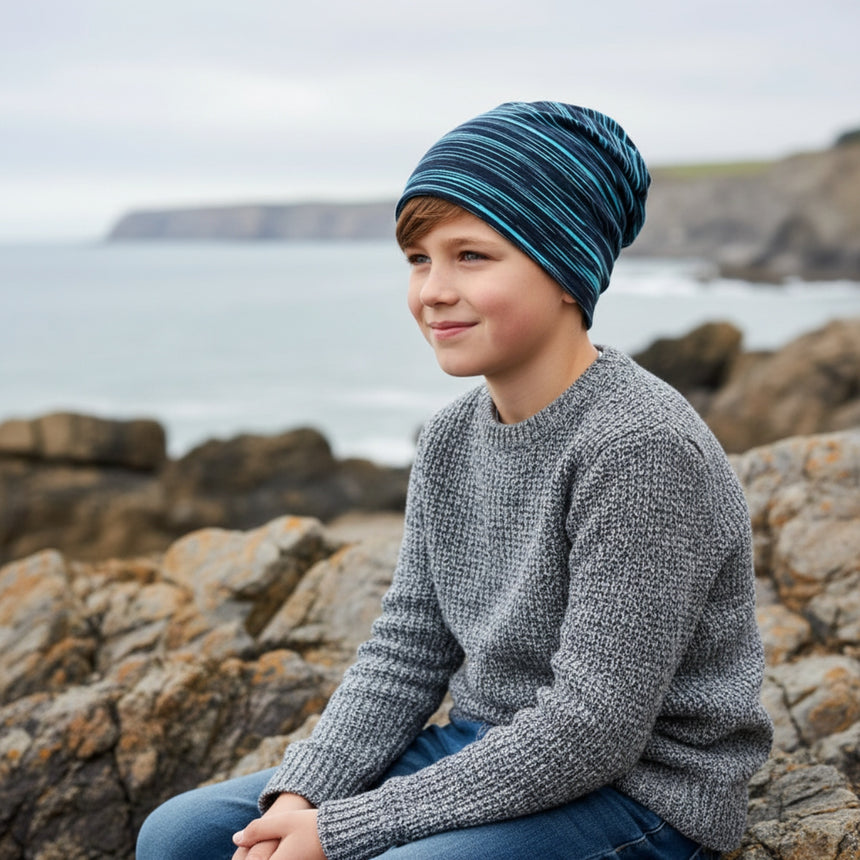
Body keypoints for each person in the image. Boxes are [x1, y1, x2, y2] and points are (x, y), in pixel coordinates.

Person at [137, 101, 773, 860]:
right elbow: (406, 650)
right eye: (418, 259)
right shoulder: (448, 436)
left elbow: (594, 728)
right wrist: (303, 795)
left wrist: (341, 832)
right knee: (179, 837)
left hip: (642, 792)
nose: (433, 290)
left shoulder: (642, 447)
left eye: (471, 256)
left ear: (567, 266)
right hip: (484, 747)